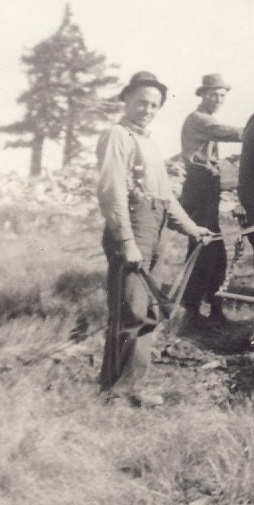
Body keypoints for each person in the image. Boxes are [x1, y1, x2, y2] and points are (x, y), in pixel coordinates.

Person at [97, 71, 212, 406]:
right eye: (141, 102)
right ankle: (116, 393)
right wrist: (126, 242)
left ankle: (132, 387)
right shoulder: (116, 136)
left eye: (154, 105)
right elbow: (111, 192)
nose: (147, 109)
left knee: (150, 311)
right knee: (129, 311)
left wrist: (192, 228)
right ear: (126, 100)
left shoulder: (148, 141)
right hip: (132, 230)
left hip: (155, 228)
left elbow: (165, 197)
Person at [177, 73, 242, 326]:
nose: (218, 99)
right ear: (203, 95)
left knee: (214, 249)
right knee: (203, 247)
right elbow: (228, 133)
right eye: (213, 94)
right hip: (199, 187)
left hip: (208, 187)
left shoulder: (206, 120)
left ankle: (214, 308)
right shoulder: (199, 120)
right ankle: (192, 310)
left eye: (222, 95)